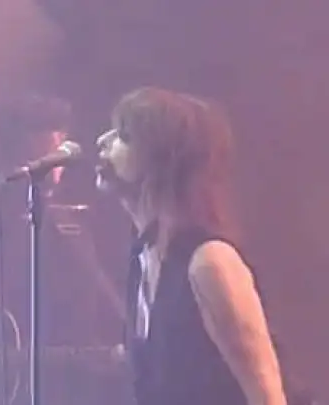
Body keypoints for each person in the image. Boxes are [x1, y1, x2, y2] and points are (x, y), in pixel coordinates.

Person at [95, 86, 286, 405]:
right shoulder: (143, 259)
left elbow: (266, 395)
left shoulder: (210, 262)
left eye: (124, 136)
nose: (102, 140)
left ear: (160, 158)